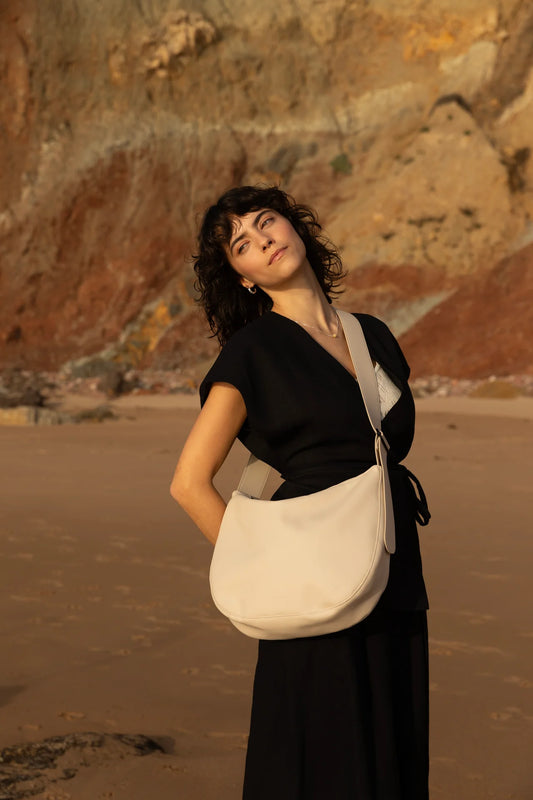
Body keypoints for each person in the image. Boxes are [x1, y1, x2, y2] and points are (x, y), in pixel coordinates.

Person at [170, 185, 430, 800]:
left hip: (395, 567)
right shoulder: (252, 352)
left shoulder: (374, 335)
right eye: (242, 243)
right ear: (243, 277)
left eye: (267, 222)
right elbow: (188, 482)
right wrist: (264, 565)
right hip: (315, 577)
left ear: (296, 230)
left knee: (395, 749)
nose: (261, 238)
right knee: (321, 759)